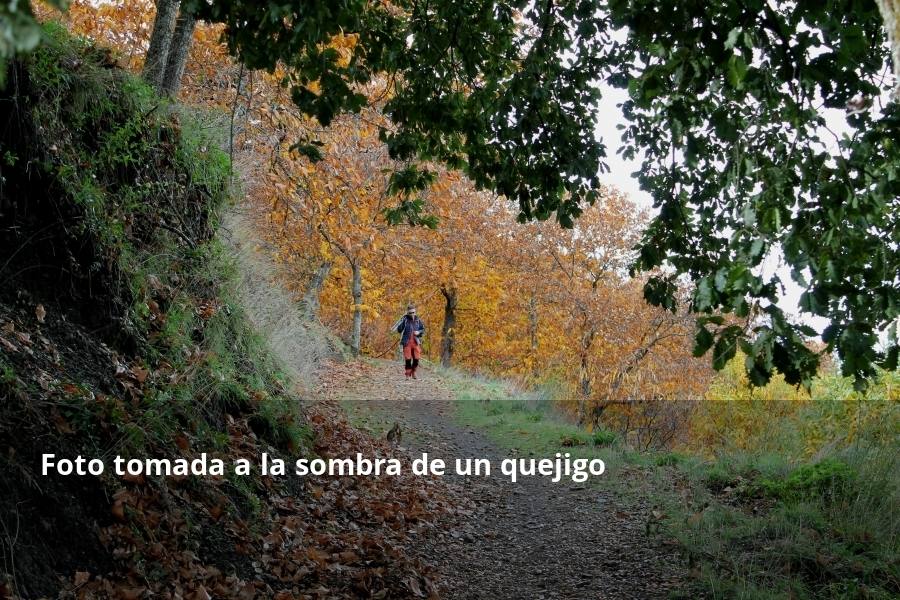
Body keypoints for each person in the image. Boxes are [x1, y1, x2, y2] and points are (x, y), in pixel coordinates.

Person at [393, 304, 424, 379]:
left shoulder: (418, 320)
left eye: (413, 312)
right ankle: (407, 374)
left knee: (417, 359)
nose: (412, 314)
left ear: (415, 312)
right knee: (408, 359)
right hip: (406, 342)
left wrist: (418, 332)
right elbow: (399, 330)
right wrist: (402, 322)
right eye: (410, 313)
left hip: (416, 342)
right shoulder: (405, 319)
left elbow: (423, 330)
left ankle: (413, 372)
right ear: (407, 312)